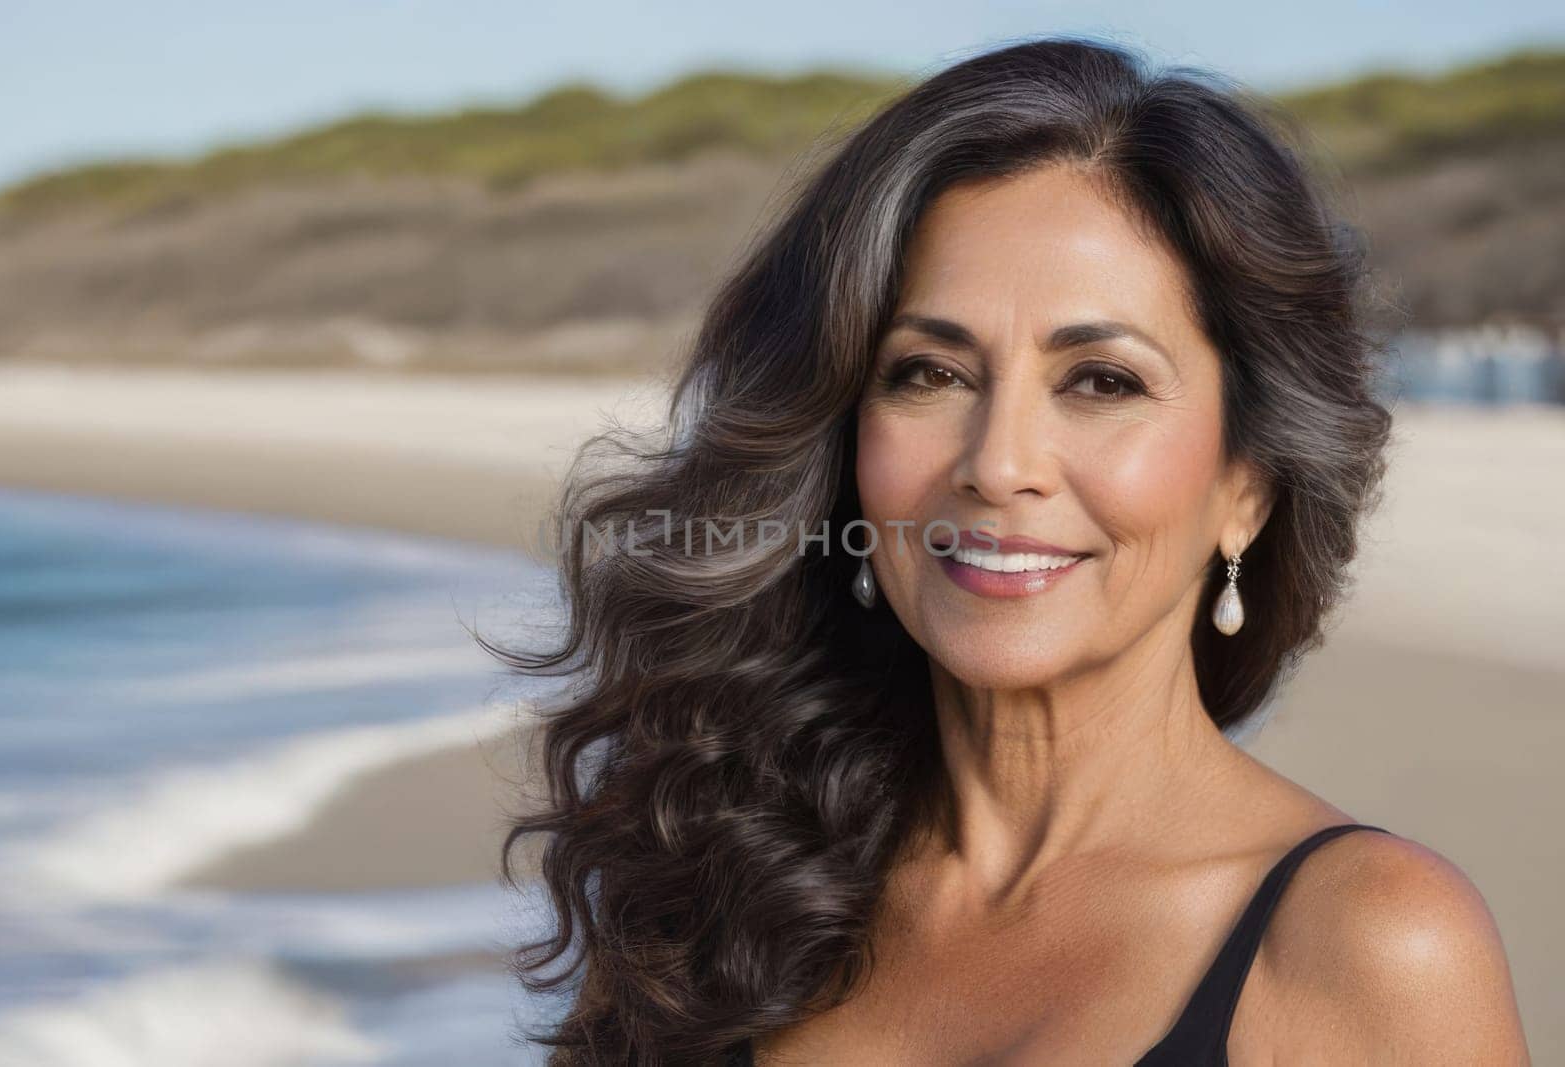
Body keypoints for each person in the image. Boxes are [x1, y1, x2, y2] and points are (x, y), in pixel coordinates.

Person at [484, 35, 1531, 1064]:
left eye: (1101, 381)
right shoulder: (710, 885)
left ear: (1245, 486)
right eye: (929, 373)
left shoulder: (1367, 945)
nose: (998, 462)